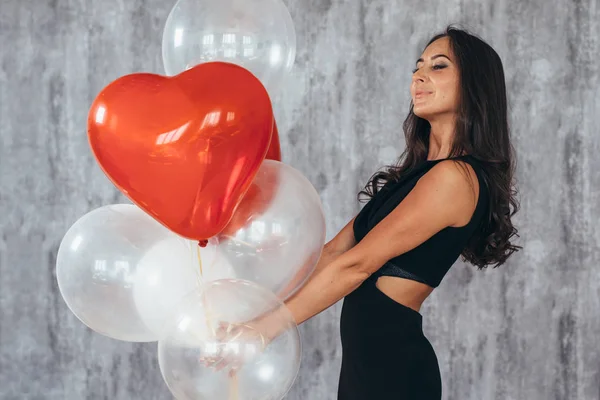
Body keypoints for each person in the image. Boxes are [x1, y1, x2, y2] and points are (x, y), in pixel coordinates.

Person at [207, 25, 522, 399]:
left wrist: (265, 330)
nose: (419, 76)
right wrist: (255, 315)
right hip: (368, 365)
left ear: (475, 86)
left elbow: (356, 266)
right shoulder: (415, 175)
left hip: (395, 371)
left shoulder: (456, 178)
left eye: (438, 67)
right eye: (417, 67)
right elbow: (332, 253)